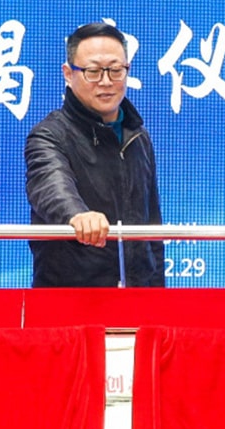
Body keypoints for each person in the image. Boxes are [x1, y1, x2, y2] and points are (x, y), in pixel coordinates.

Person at [24, 21, 164, 287]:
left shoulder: (137, 135)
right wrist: (77, 215)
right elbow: (51, 186)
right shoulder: (49, 135)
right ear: (68, 73)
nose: (106, 81)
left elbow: (152, 231)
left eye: (115, 70)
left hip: (138, 295)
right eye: (93, 71)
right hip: (72, 297)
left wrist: (157, 295)